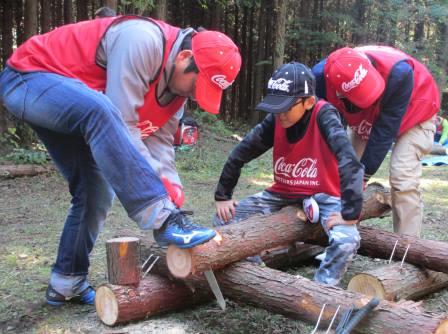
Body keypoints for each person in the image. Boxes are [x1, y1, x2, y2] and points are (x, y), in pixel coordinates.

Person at [0, 16, 241, 306]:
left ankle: (67, 282)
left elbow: (160, 144)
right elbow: (123, 123)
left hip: (74, 103)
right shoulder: (142, 40)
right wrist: (163, 212)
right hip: (28, 78)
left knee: (97, 192)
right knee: (102, 111)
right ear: (184, 57)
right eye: (196, 85)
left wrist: (172, 194)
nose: (194, 95)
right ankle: (163, 221)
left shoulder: (176, 94)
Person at [213, 62, 364, 286]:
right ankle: (257, 273)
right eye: (275, 107)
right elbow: (241, 152)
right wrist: (223, 195)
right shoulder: (276, 120)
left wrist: (350, 213)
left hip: (325, 194)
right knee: (222, 218)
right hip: (283, 192)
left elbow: (349, 161)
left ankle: (321, 290)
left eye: (285, 107)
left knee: (347, 240)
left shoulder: (324, 116)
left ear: (309, 101)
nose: (279, 114)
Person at [312, 46, 440, 237]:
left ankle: (407, 250)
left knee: (402, 177)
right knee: (341, 173)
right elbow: (323, 127)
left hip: (417, 112)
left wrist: (360, 178)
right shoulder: (320, 79)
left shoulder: (399, 74)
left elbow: (384, 133)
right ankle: (337, 235)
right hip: (366, 117)